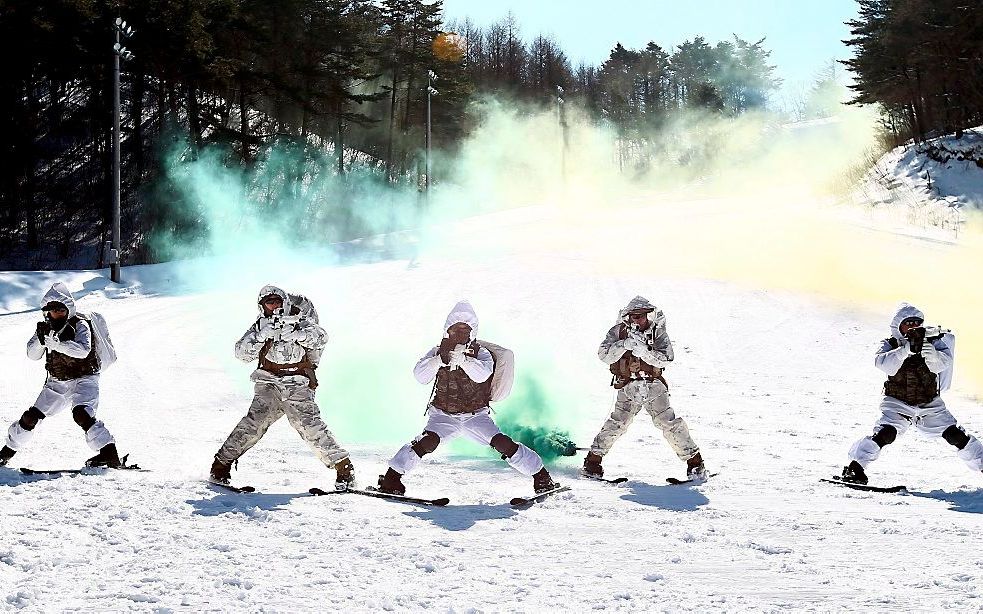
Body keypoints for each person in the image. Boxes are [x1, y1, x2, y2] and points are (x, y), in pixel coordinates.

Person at [376, 300, 556, 495]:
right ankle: (391, 479)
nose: (461, 334)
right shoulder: (437, 351)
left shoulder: (481, 353)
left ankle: (541, 476)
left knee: (502, 443)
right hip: (443, 416)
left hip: (475, 416)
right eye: (456, 329)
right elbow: (420, 376)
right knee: (427, 442)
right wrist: (438, 361)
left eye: (465, 330)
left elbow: (483, 375)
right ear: (448, 330)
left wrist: (463, 359)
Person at [209, 285, 355, 489]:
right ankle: (220, 466)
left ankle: (344, 469)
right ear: (262, 306)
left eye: (277, 301)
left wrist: (298, 334)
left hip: (297, 382)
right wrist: (261, 335)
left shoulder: (299, 321)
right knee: (253, 423)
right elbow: (241, 354)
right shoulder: (260, 326)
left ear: (285, 302)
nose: (274, 306)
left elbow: (322, 337)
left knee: (308, 424)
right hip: (268, 382)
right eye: (269, 302)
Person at [841, 303, 983, 484]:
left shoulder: (934, 342)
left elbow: (943, 365)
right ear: (899, 326)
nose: (913, 327)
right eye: (908, 323)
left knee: (956, 436)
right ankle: (855, 468)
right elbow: (882, 363)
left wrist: (931, 353)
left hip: (929, 404)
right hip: (897, 402)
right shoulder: (890, 344)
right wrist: (905, 350)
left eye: (917, 323)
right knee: (886, 434)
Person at [583, 296, 707, 479]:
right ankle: (592, 463)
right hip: (628, 386)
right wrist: (623, 344)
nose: (638, 319)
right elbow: (604, 356)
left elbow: (667, 358)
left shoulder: (658, 332)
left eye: (641, 316)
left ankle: (695, 464)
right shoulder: (618, 332)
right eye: (634, 316)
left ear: (648, 314)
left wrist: (644, 352)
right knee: (617, 423)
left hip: (653, 386)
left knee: (669, 424)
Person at [0, 283, 120, 468]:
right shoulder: (45, 328)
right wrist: (41, 342)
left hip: (85, 378)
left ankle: (109, 454)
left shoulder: (81, 324)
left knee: (82, 414)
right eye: (52, 311)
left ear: (68, 310)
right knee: (30, 418)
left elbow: (83, 350)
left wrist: (57, 345)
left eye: (60, 310)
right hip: (57, 383)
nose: (56, 315)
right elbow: (32, 355)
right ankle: (5, 454)